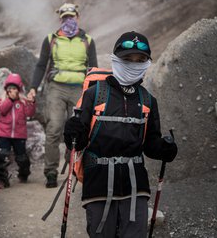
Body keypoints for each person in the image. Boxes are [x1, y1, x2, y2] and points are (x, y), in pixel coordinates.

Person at [64, 31, 178, 237]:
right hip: (98, 184)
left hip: (136, 185)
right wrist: (71, 131)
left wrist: (164, 149)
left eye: (140, 60)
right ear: (116, 59)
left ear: (147, 62)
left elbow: (150, 144)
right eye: (127, 59)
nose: (133, 64)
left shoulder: (149, 100)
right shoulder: (94, 94)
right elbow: (77, 143)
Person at [27, 3, 98, 188]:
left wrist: (95, 91)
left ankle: (74, 166)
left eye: (71, 17)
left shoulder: (88, 40)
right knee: (54, 128)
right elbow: (41, 65)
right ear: (60, 19)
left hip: (80, 89)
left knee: (78, 129)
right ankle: (51, 172)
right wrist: (33, 87)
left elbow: (93, 68)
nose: (69, 20)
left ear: (77, 17)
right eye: (65, 17)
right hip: (56, 88)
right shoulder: (51, 39)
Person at [0, 73, 36, 189]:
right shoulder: (2, 100)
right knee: (2, 156)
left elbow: (30, 113)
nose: (12, 91)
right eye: (9, 89)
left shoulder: (22, 102)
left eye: (14, 89)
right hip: (4, 133)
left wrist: (31, 102)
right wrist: (10, 100)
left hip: (19, 134)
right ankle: (1, 180)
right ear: (6, 91)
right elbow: (2, 110)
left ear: (19, 90)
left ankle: (23, 174)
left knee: (22, 157)